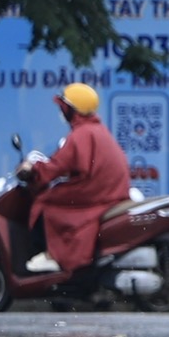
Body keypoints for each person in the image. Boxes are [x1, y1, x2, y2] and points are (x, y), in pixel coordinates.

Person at [20, 83, 132, 276]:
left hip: (96, 194)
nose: (61, 113)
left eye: (63, 108)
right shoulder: (97, 130)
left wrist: (34, 170)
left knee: (47, 202)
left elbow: (57, 166)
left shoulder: (81, 135)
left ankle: (55, 256)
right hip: (109, 192)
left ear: (71, 110)